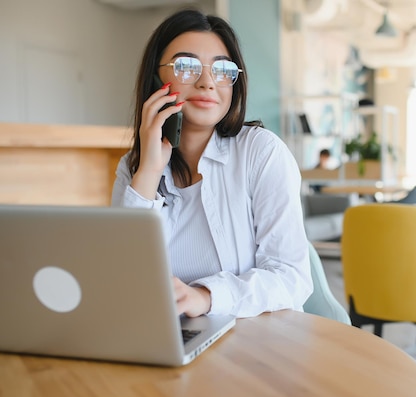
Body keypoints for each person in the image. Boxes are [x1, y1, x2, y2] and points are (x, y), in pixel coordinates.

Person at [111, 9, 312, 319]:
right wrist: (149, 172)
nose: (207, 82)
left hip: (259, 343)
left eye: (222, 69)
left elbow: (291, 278)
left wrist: (205, 297)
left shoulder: (261, 153)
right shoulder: (134, 167)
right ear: (155, 79)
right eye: (186, 67)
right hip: (168, 338)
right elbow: (121, 280)